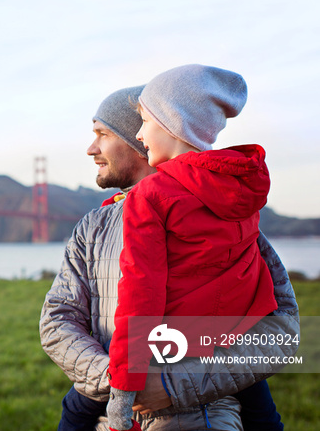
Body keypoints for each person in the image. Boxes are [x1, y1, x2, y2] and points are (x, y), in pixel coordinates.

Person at [39, 83, 300, 431]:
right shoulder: (92, 228)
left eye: (103, 134)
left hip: (206, 417)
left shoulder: (223, 218)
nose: (90, 148)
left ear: (141, 141)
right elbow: (57, 319)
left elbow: (279, 330)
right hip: (110, 415)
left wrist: (172, 386)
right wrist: (119, 381)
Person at [106, 65, 280, 431]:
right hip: (226, 368)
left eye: (145, 121)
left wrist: (124, 382)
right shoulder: (245, 188)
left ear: (173, 124)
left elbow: (141, 293)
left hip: (167, 368)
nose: (139, 135)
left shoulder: (151, 196)